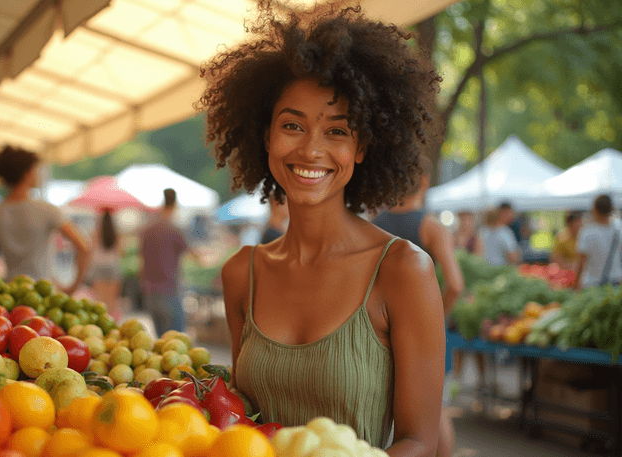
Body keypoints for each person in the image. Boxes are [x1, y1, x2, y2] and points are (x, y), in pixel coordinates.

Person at [199, 2, 446, 454]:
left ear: (362, 147)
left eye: (336, 131)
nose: (312, 149)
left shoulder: (403, 270)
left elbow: (419, 440)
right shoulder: (241, 273)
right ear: (266, 137)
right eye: (292, 125)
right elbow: (245, 422)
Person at [372, 154, 463, 457]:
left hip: (381, 334)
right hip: (424, 336)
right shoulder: (431, 226)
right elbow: (456, 284)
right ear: (424, 181)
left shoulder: (375, 225)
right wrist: (437, 319)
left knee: (396, 421)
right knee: (435, 415)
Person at [0, 146, 90, 294]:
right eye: (35, 169)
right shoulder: (47, 210)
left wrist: (0, 288)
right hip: (44, 293)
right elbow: (83, 246)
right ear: (26, 174)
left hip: (12, 294)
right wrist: (72, 288)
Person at [139, 188, 200, 336]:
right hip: (169, 291)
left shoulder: (147, 229)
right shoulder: (174, 229)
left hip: (150, 291)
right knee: (175, 340)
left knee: (161, 341)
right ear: (175, 205)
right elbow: (193, 255)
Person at [575, 195, 622, 289]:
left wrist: (576, 284)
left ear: (594, 210)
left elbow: (581, 261)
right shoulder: (618, 227)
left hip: (591, 284)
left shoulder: (587, 231)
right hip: (615, 282)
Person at [91, 208, 123, 320]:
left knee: (100, 299)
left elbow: (91, 249)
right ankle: (112, 321)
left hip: (99, 266)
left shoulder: (96, 232)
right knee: (112, 299)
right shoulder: (116, 233)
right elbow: (120, 251)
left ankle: (102, 320)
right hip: (113, 266)